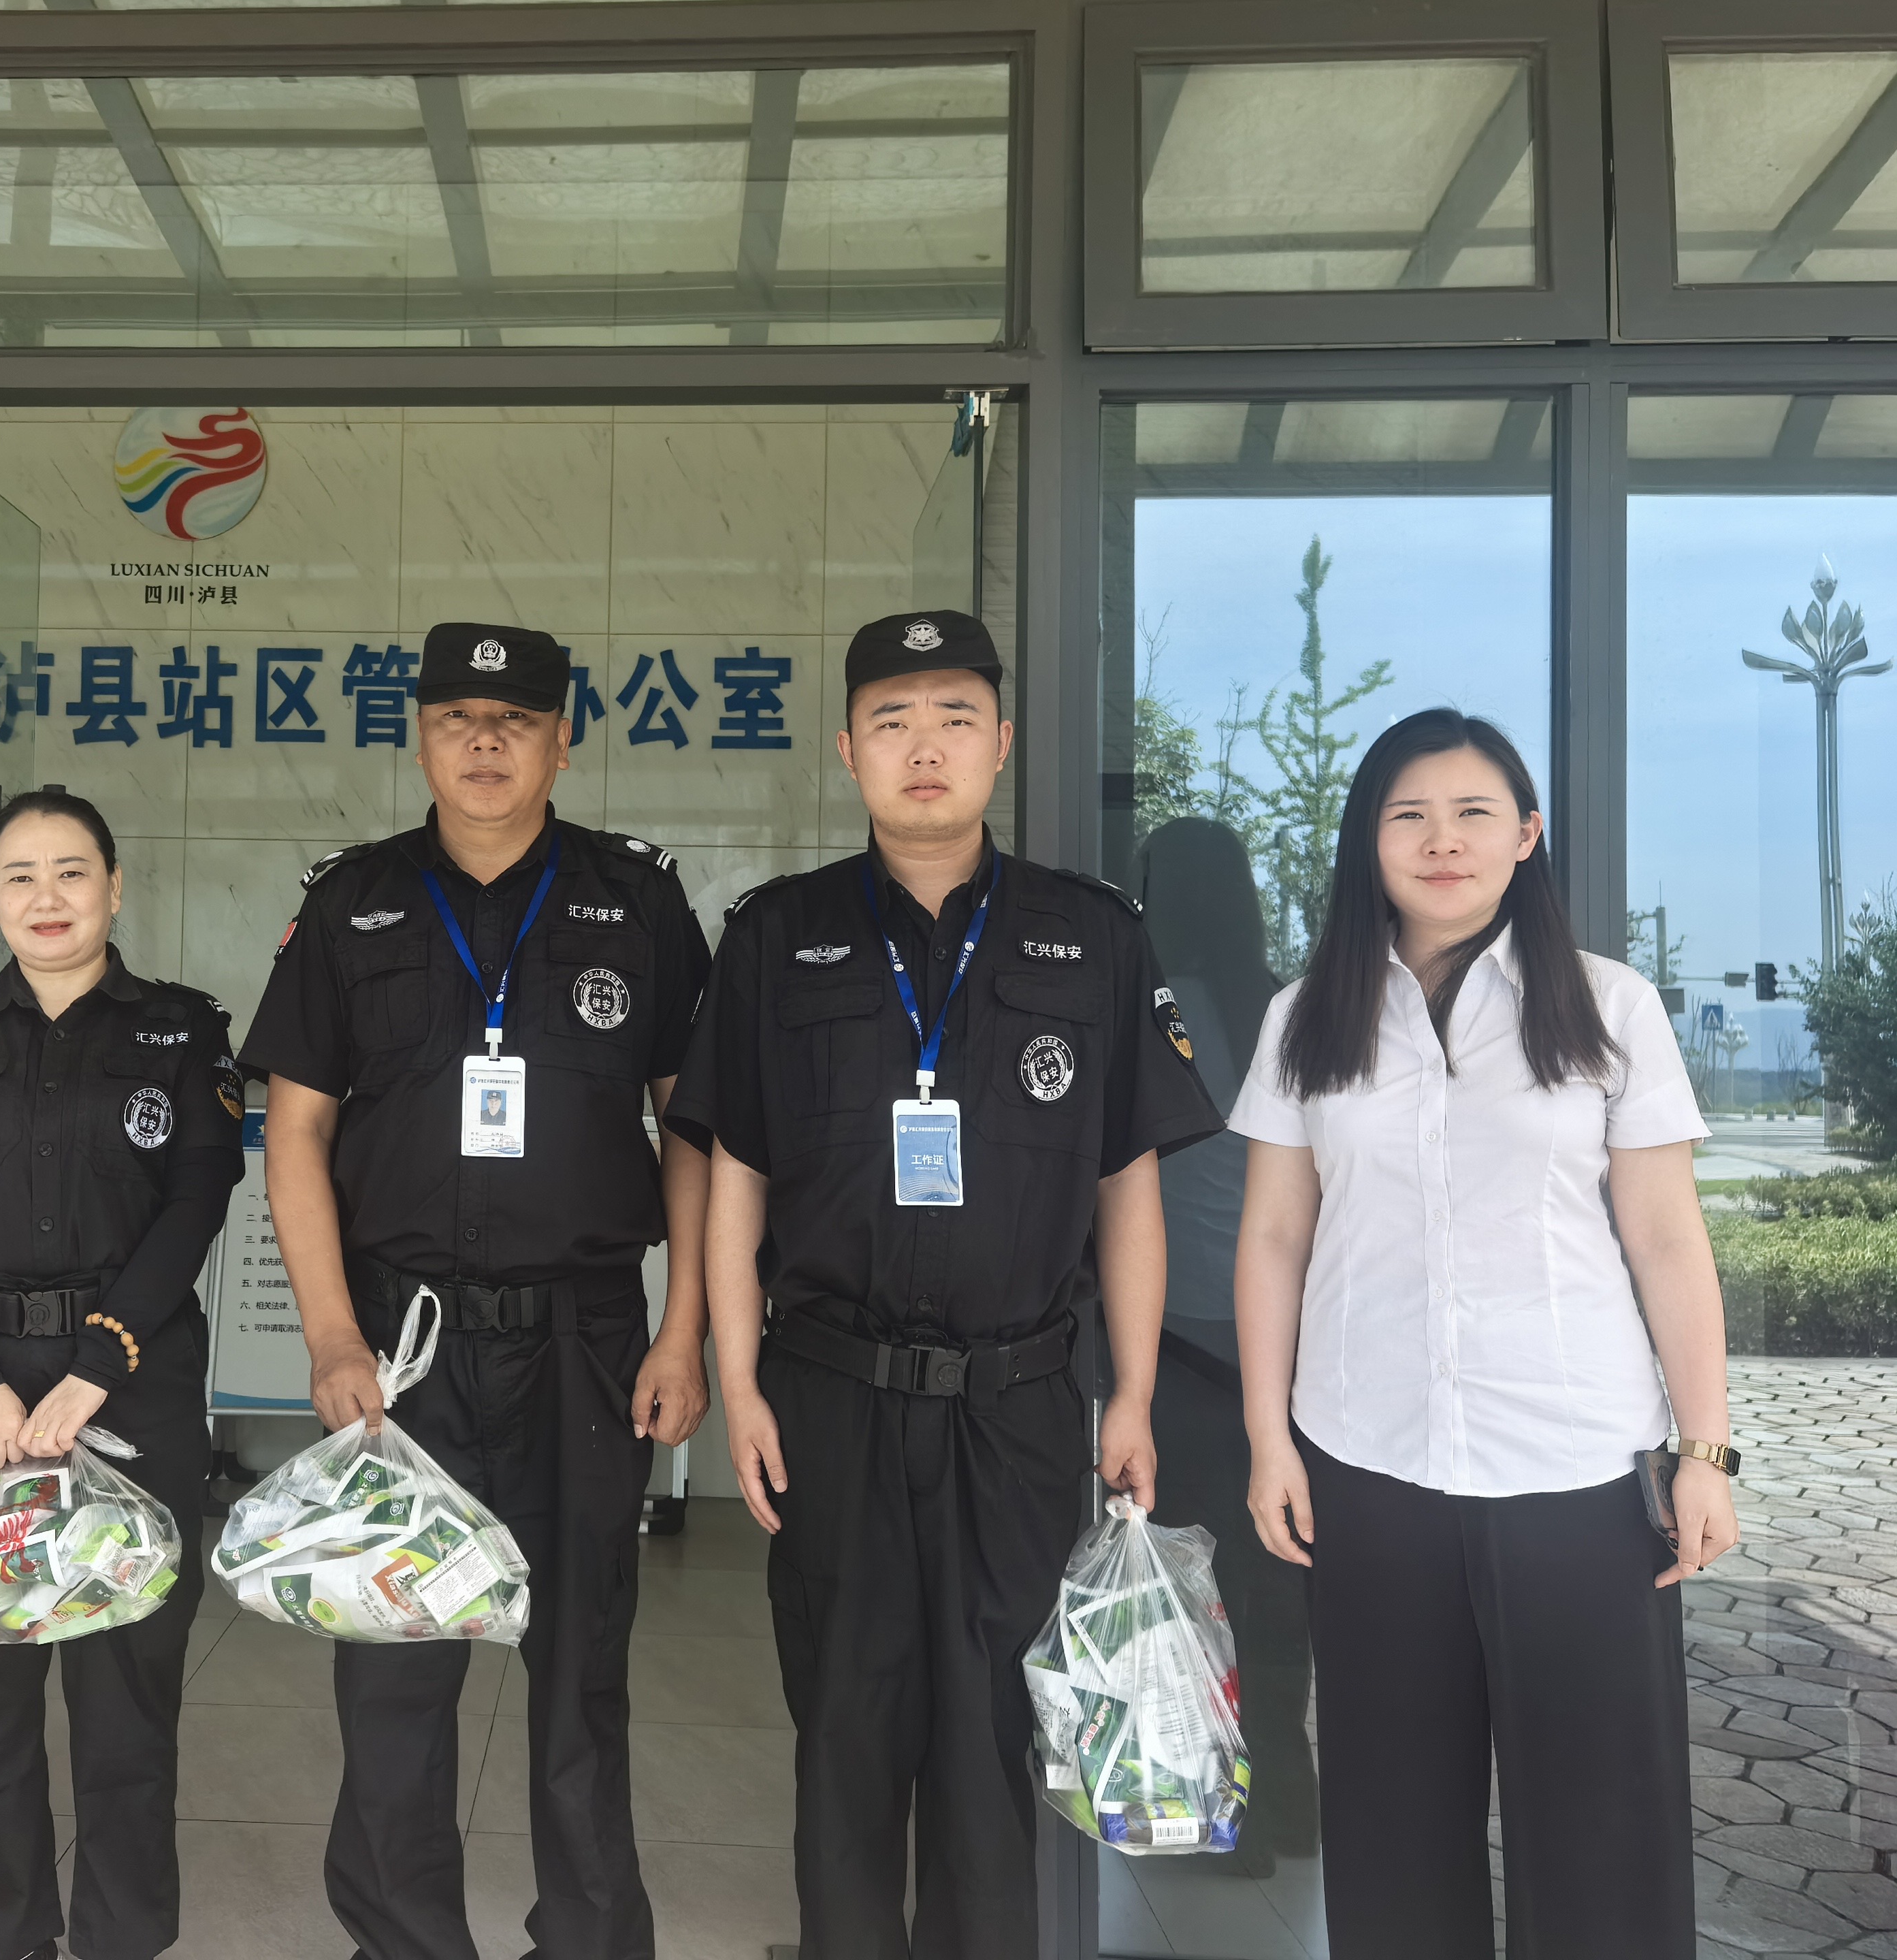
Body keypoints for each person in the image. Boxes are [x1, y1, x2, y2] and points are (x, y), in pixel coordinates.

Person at [671, 610, 1220, 1957]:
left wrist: (1131, 1395)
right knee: (843, 1734)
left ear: (1001, 743)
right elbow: (735, 1175)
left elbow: (1126, 1186)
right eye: (893, 720)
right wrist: (737, 1379)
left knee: (992, 1741)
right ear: (847, 748)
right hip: (829, 1395)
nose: (925, 747)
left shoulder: (1091, 938)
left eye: (954, 718)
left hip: (1017, 1405)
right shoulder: (776, 936)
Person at [242, 620, 713, 1960]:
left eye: (515, 721)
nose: (485, 743)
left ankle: (590, 1937)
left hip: (586, 1341)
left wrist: (682, 1329)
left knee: (581, 1672)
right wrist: (331, 1337)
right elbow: (296, 1135)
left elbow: (694, 1133)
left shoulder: (637, 901)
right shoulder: (354, 905)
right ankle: (402, 1941)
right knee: (392, 1668)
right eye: (457, 719)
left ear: (563, 741)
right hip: (406, 1350)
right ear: (420, 740)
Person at [1233, 707, 1736, 1960]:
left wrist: (1707, 1448)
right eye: (1407, 815)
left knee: (1603, 1840)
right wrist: (1269, 1438)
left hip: (1579, 1475)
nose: (1440, 841)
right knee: (1392, 1832)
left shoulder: (1608, 1004)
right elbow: (1275, 1239)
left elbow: (1667, 1237)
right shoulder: (1307, 1016)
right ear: (1368, 841)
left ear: (1526, 834)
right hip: (1369, 1464)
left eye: (1471, 813)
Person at [0, 789, 244, 1960]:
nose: (48, 897)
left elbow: (196, 1201)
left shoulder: (182, 1032)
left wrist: (95, 1367)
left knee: (127, 1702)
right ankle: (1, 1940)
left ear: (115, 888)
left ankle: (122, 1941)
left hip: (131, 1390)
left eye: (72, 871)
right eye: (21, 876)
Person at [1132, 817, 1315, 1874]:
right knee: (1275, 1579)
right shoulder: (1282, 1010)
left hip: (1185, 1337)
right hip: (1285, 1346)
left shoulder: (1163, 1014)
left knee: (1192, 1585)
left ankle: (1221, 1817)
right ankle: (1290, 1799)